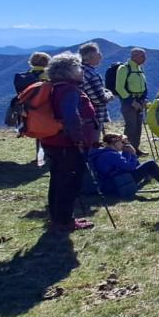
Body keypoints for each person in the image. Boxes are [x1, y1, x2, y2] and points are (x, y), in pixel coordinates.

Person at [40, 52, 99, 231]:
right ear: (69, 70)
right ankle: (65, 222)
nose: (81, 70)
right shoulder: (69, 90)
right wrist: (78, 139)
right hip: (68, 144)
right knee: (69, 183)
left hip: (52, 141)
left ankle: (58, 218)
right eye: (78, 67)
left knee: (57, 181)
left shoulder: (53, 88)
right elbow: (71, 115)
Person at [88, 132, 159, 199]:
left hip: (109, 183)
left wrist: (127, 152)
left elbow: (124, 164)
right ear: (114, 142)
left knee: (137, 162)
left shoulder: (104, 152)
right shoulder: (111, 154)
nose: (124, 144)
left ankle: (148, 177)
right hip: (116, 184)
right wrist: (133, 154)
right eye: (122, 142)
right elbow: (130, 167)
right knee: (151, 164)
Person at [114, 48, 148, 152]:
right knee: (131, 127)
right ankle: (127, 150)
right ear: (134, 56)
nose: (145, 58)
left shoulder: (139, 68)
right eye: (142, 56)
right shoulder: (124, 68)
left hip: (139, 101)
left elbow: (144, 86)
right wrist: (132, 102)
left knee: (138, 126)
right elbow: (119, 88)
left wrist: (144, 99)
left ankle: (135, 149)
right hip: (128, 102)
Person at [78, 42, 114, 133]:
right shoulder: (91, 74)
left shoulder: (78, 70)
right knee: (92, 140)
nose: (101, 57)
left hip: (80, 115)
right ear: (91, 56)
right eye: (98, 54)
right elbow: (99, 99)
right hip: (93, 117)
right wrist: (109, 94)